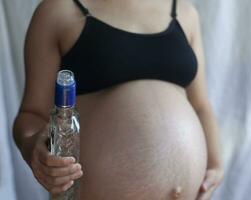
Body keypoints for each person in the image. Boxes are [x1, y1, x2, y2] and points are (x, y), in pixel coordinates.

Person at [12, 0, 224, 199]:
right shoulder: (58, 11)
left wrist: (215, 164)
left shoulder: (185, 13)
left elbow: (200, 105)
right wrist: (32, 146)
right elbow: (32, 113)